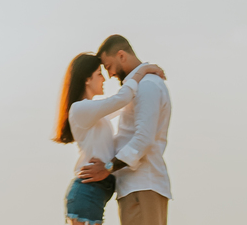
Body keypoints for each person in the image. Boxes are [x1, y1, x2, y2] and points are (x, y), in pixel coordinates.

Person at [54, 51, 165, 225]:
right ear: (86, 79)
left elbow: (125, 103)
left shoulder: (96, 114)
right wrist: (142, 70)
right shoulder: (80, 109)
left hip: (96, 191)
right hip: (88, 190)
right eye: (99, 74)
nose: (104, 79)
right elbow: (122, 98)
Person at [77, 35, 171, 225]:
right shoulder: (139, 87)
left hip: (142, 185)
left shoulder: (147, 86)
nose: (110, 74)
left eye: (109, 66)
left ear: (121, 56)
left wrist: (108, 168)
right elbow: (117, 103)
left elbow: (143, 139)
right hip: (136, 186)